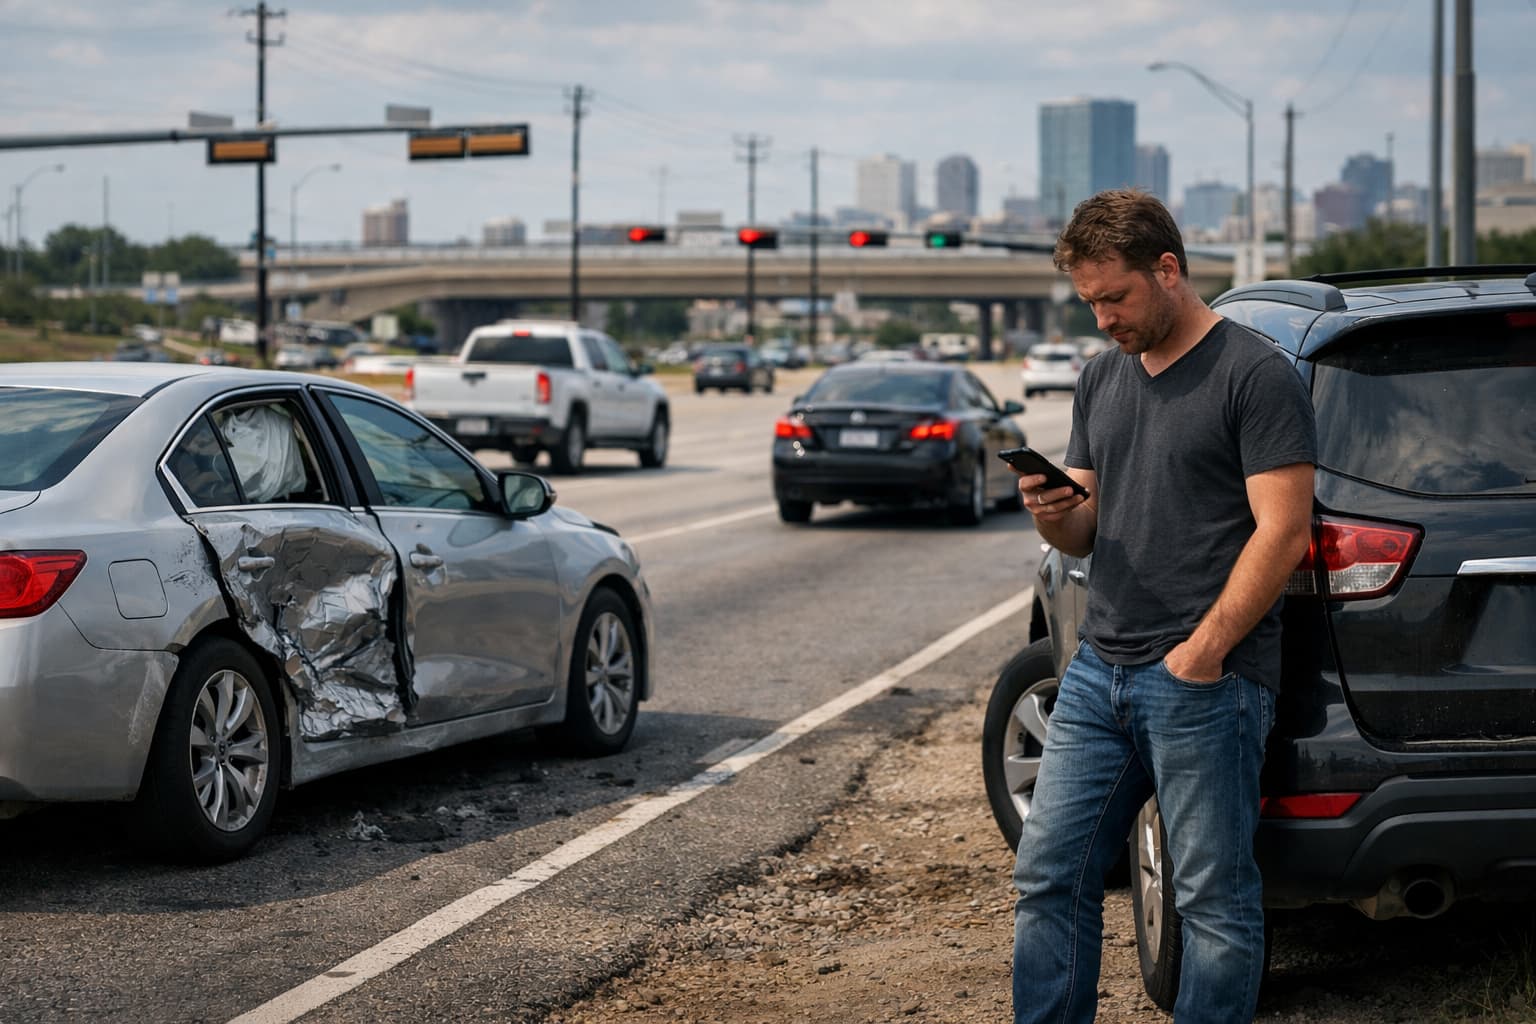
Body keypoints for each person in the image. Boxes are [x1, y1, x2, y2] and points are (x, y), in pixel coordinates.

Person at [1008, 189, 1316, 1024]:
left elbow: (1284, 532)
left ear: (1169, 269)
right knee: (1048, 875)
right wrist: (1051, 511)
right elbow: (1083, 531)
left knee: (1211, 900)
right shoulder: (1102, 376)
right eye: (1090, 303)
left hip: (1205, 681)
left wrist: (1204, 652)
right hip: (1099, 671)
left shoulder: (1254, 374)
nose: (1103, 318)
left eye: (1116, 297)